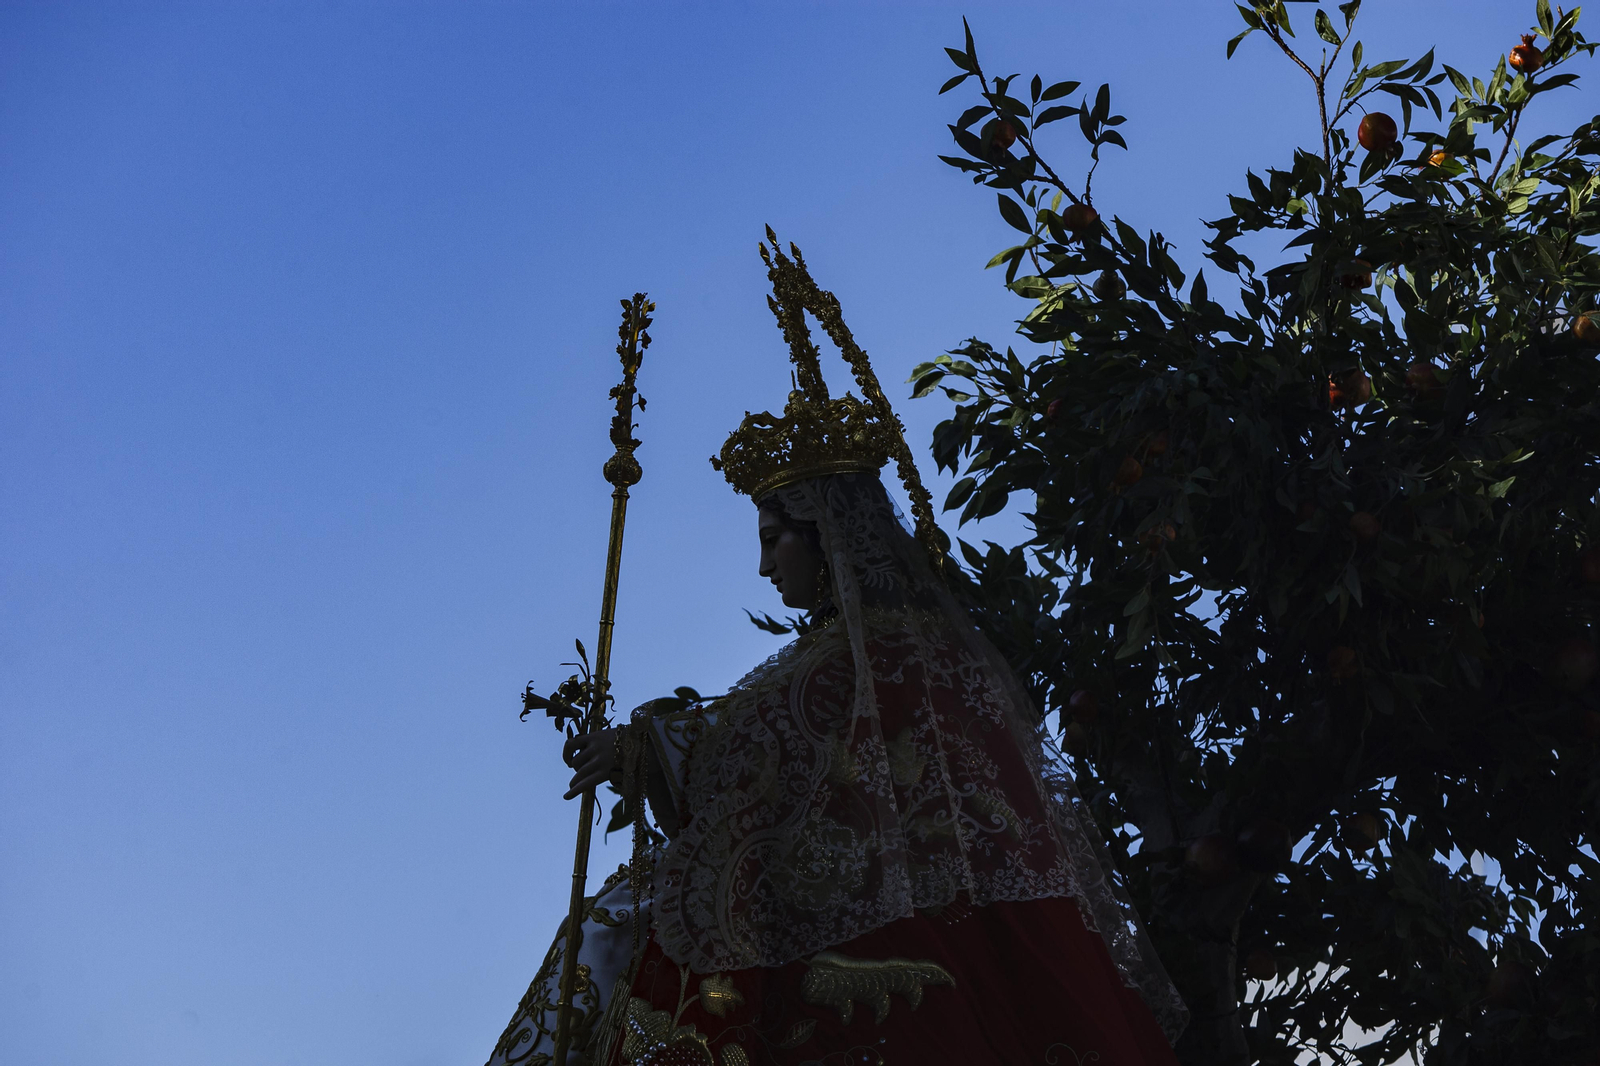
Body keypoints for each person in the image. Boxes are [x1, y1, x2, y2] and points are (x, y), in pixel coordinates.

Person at [487, 239, 1185, 1066]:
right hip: (918, 918)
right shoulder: (908, 650)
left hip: (896, 921)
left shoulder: (876, 655)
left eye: (775, 538)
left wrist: (645, 748)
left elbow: (772, 733)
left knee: (608, 933)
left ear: (829, 540)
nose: (763, 562)